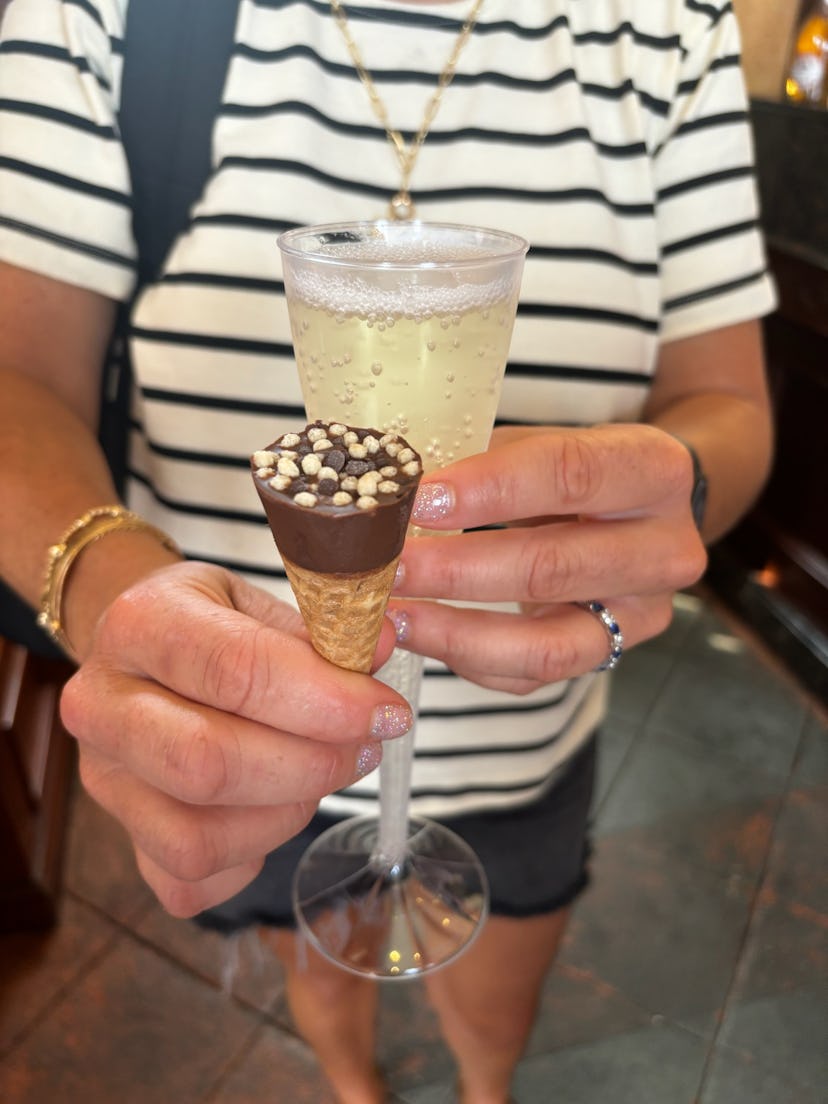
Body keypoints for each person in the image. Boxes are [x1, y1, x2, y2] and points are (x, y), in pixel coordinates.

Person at [0, 1, 775, 1102]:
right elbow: (17, 375)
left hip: (528, 740)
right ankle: (357, 1089)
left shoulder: (671, 25)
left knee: (496, 1009)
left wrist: (677, 489)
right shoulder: (103, 14)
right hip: (233, 737)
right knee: (315, 966)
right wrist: (114, 593)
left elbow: (731, 401)